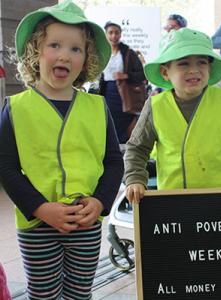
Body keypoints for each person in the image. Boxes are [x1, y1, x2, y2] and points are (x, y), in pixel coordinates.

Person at [0, 1, 123, 299]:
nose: (65, 56)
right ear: (35, 52)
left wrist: (100, 202)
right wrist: (41, 208)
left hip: (86, 221)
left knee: (80, 293)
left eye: (75, 49)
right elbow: (5, 166)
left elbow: (113, 161)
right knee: (43, 294)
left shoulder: (97, 107)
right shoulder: (15, 108)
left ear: (86, 59)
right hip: (37, 223)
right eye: (55, 45)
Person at [123, 28, 221, 203]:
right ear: (165, 72)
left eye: (201, 62)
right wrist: (135, 178)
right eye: (184, 63)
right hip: (174, 205)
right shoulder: (155, 107)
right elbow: (137, 148)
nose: (194, 70)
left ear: (209, 68)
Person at [99, 21, 146, 144]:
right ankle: (112, 149)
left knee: (126, 120)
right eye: (110, 33)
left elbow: (142, 73)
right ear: (106, 34)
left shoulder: (127, 52)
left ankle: (126, 150)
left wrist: (126, 75)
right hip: (107, 92)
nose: (114, 36)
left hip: (124, 93)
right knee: (109, 120)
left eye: (116, 33)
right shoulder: (101, 52)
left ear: (120, 34)